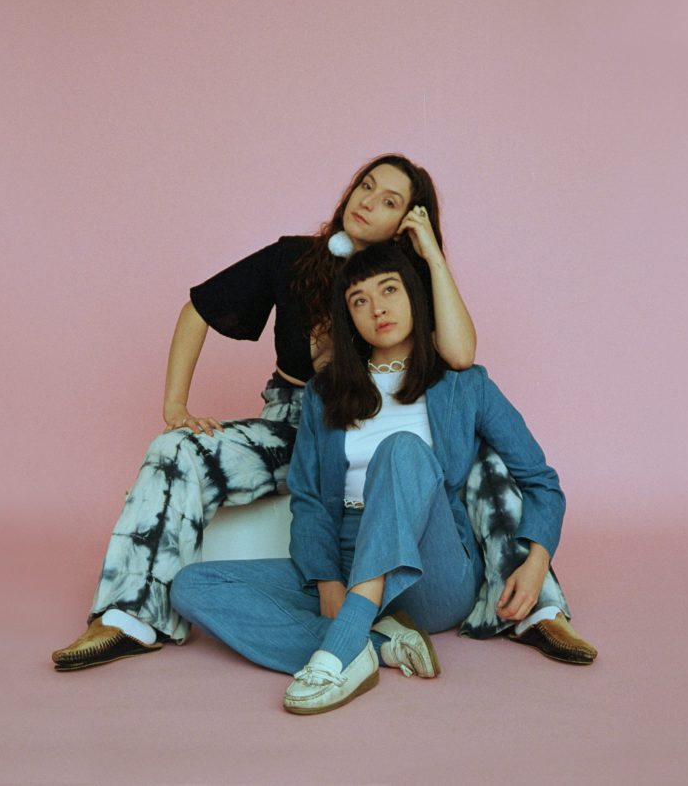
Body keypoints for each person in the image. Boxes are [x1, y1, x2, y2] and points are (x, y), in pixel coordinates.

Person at [51, 154, 479, 670]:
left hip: (372, 431)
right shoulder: (292, 257)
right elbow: (199, 308)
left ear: (407, 220)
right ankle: (128, 615)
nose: (367, 202)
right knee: (175, 448)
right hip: (291, 423)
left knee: (485, 456)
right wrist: (175, 406)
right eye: (365, 186)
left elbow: (459, 356)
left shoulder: (404, 280)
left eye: (389, 201)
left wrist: (429, 254)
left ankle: (532, 607)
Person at [171, 242, 596, 715]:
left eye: (389, 290)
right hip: (346, 555)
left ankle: (340, 652)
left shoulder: (465, 384)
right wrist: (327, 579)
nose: (377, 308)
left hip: (432, 570)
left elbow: (541, 480)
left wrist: (536, 564)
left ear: (415, 295)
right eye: (359, 300)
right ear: (349, 317)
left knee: (401, 450)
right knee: (193, 585)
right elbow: (309, 499)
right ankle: (381, 643)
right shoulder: (325, 393)